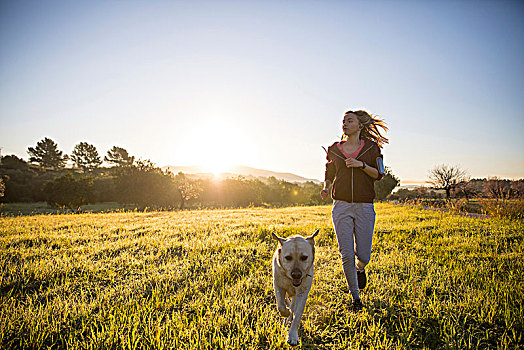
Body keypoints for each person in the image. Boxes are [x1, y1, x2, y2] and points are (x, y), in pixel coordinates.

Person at [320, 109, 388, 312]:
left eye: (349, 121)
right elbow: (329, 171)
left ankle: (360, 269)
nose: (345, 124)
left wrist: (360, 165)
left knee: (364, 255)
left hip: (365, 206)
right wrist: (326, 187)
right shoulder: (334, 149)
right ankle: (355, 298)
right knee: (346, 254)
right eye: (343, 121)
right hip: (340, 205)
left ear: (360, 125)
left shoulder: (371, 148)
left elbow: (379, 174)